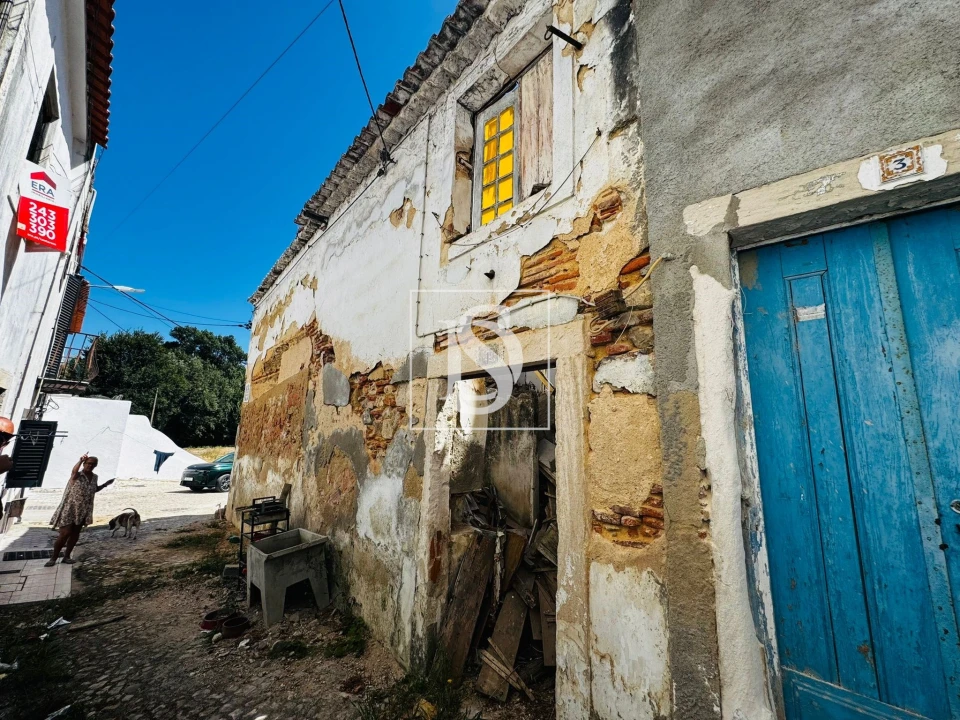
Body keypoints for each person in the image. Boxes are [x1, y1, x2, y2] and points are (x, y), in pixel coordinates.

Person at [45, 454, 114, 566]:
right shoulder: (77, 475)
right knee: (64, 533)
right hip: (69, 508)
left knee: (75, 534)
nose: (90, 465)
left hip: (83, 510)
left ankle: (67, 556)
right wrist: (80, 460)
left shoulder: (95, 477)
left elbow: (94, 489)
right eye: (88, 463)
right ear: (84, 464)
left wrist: (105, 484)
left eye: (93, 464)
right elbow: (73, 472)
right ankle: (53, 557)